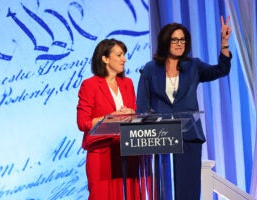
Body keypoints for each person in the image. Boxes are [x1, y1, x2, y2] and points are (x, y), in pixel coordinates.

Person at [136, 16, 232, 200]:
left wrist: (224, 43)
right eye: (175, 39)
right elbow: (142, 105)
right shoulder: (150, 68)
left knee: (188, 189)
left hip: (189, 134)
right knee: (162, 189)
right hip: (159, 136)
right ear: (166, 41)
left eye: (183, 40)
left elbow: (220, 70)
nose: (179, 43)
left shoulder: (193, 66)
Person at [77, 38, 146, 200]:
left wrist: (132, 114)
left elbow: (133, 116)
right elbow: (83, 123)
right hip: (101, 153)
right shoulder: (90, 85)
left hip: (128, 151)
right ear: (105, 58)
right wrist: (110, 118)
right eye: (119, 55)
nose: (125, 59)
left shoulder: (127, 83)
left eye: (124, 55)